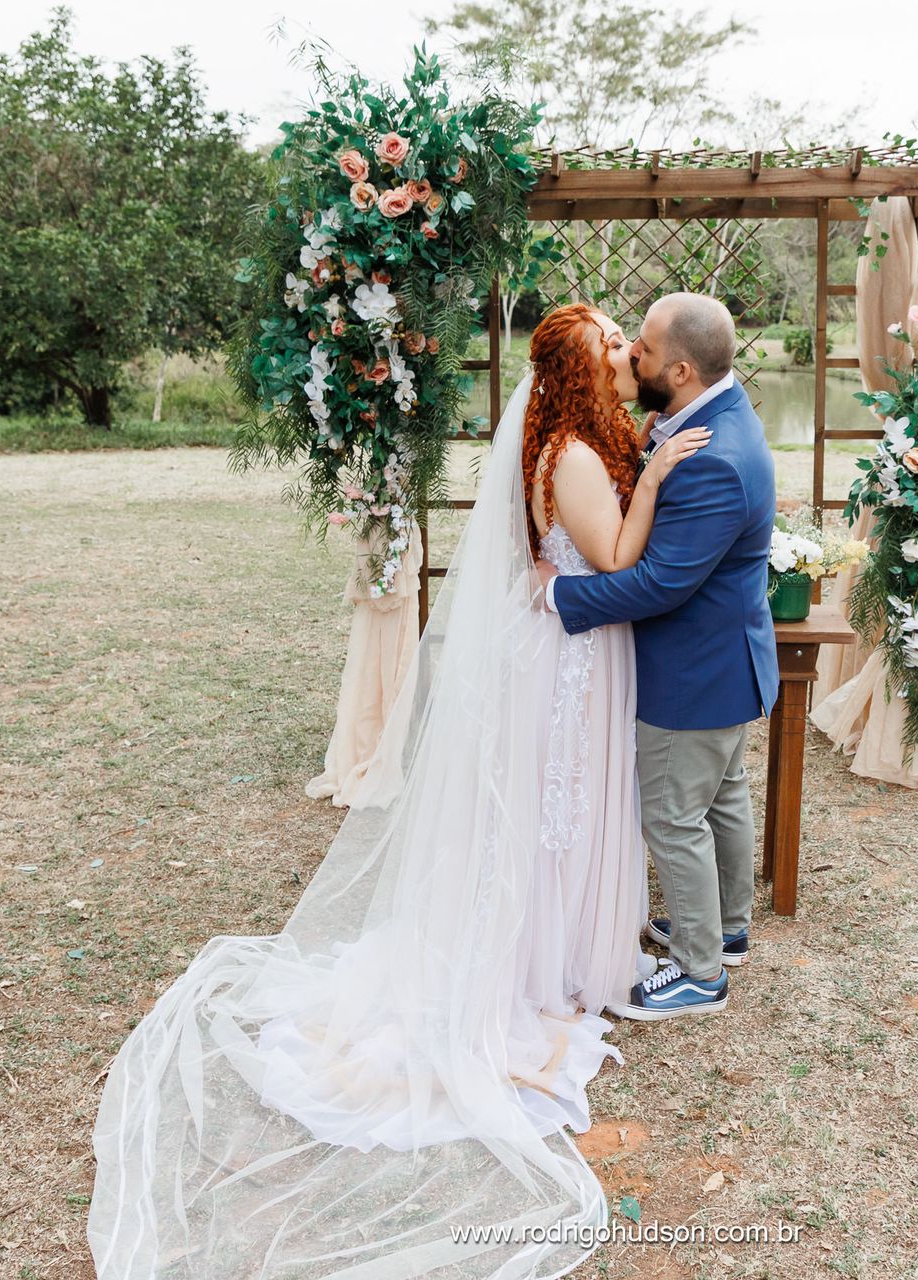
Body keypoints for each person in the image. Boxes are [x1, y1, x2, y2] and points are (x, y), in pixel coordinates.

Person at [86, 302, 708, 1278]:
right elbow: (621, 559)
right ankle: (544, 968)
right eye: (610, 350)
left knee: (563, 815)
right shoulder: (577, 462)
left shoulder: (568, 444)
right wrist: (662, 475)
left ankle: (556, 952)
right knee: (559, 815)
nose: (627, 354)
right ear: (583, 377)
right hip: (573, 666)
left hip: (572, 652)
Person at [537, 291, 780, 1021]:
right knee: (723, 797)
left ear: (678, 367)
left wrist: (559, 600)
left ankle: (702, 971)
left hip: (694, 670)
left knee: (674, 816)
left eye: (640, 346)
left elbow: (658, 584)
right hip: (728, 659)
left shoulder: (714, 459)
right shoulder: (710, 417)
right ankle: (726, 928)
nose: (632, 356)